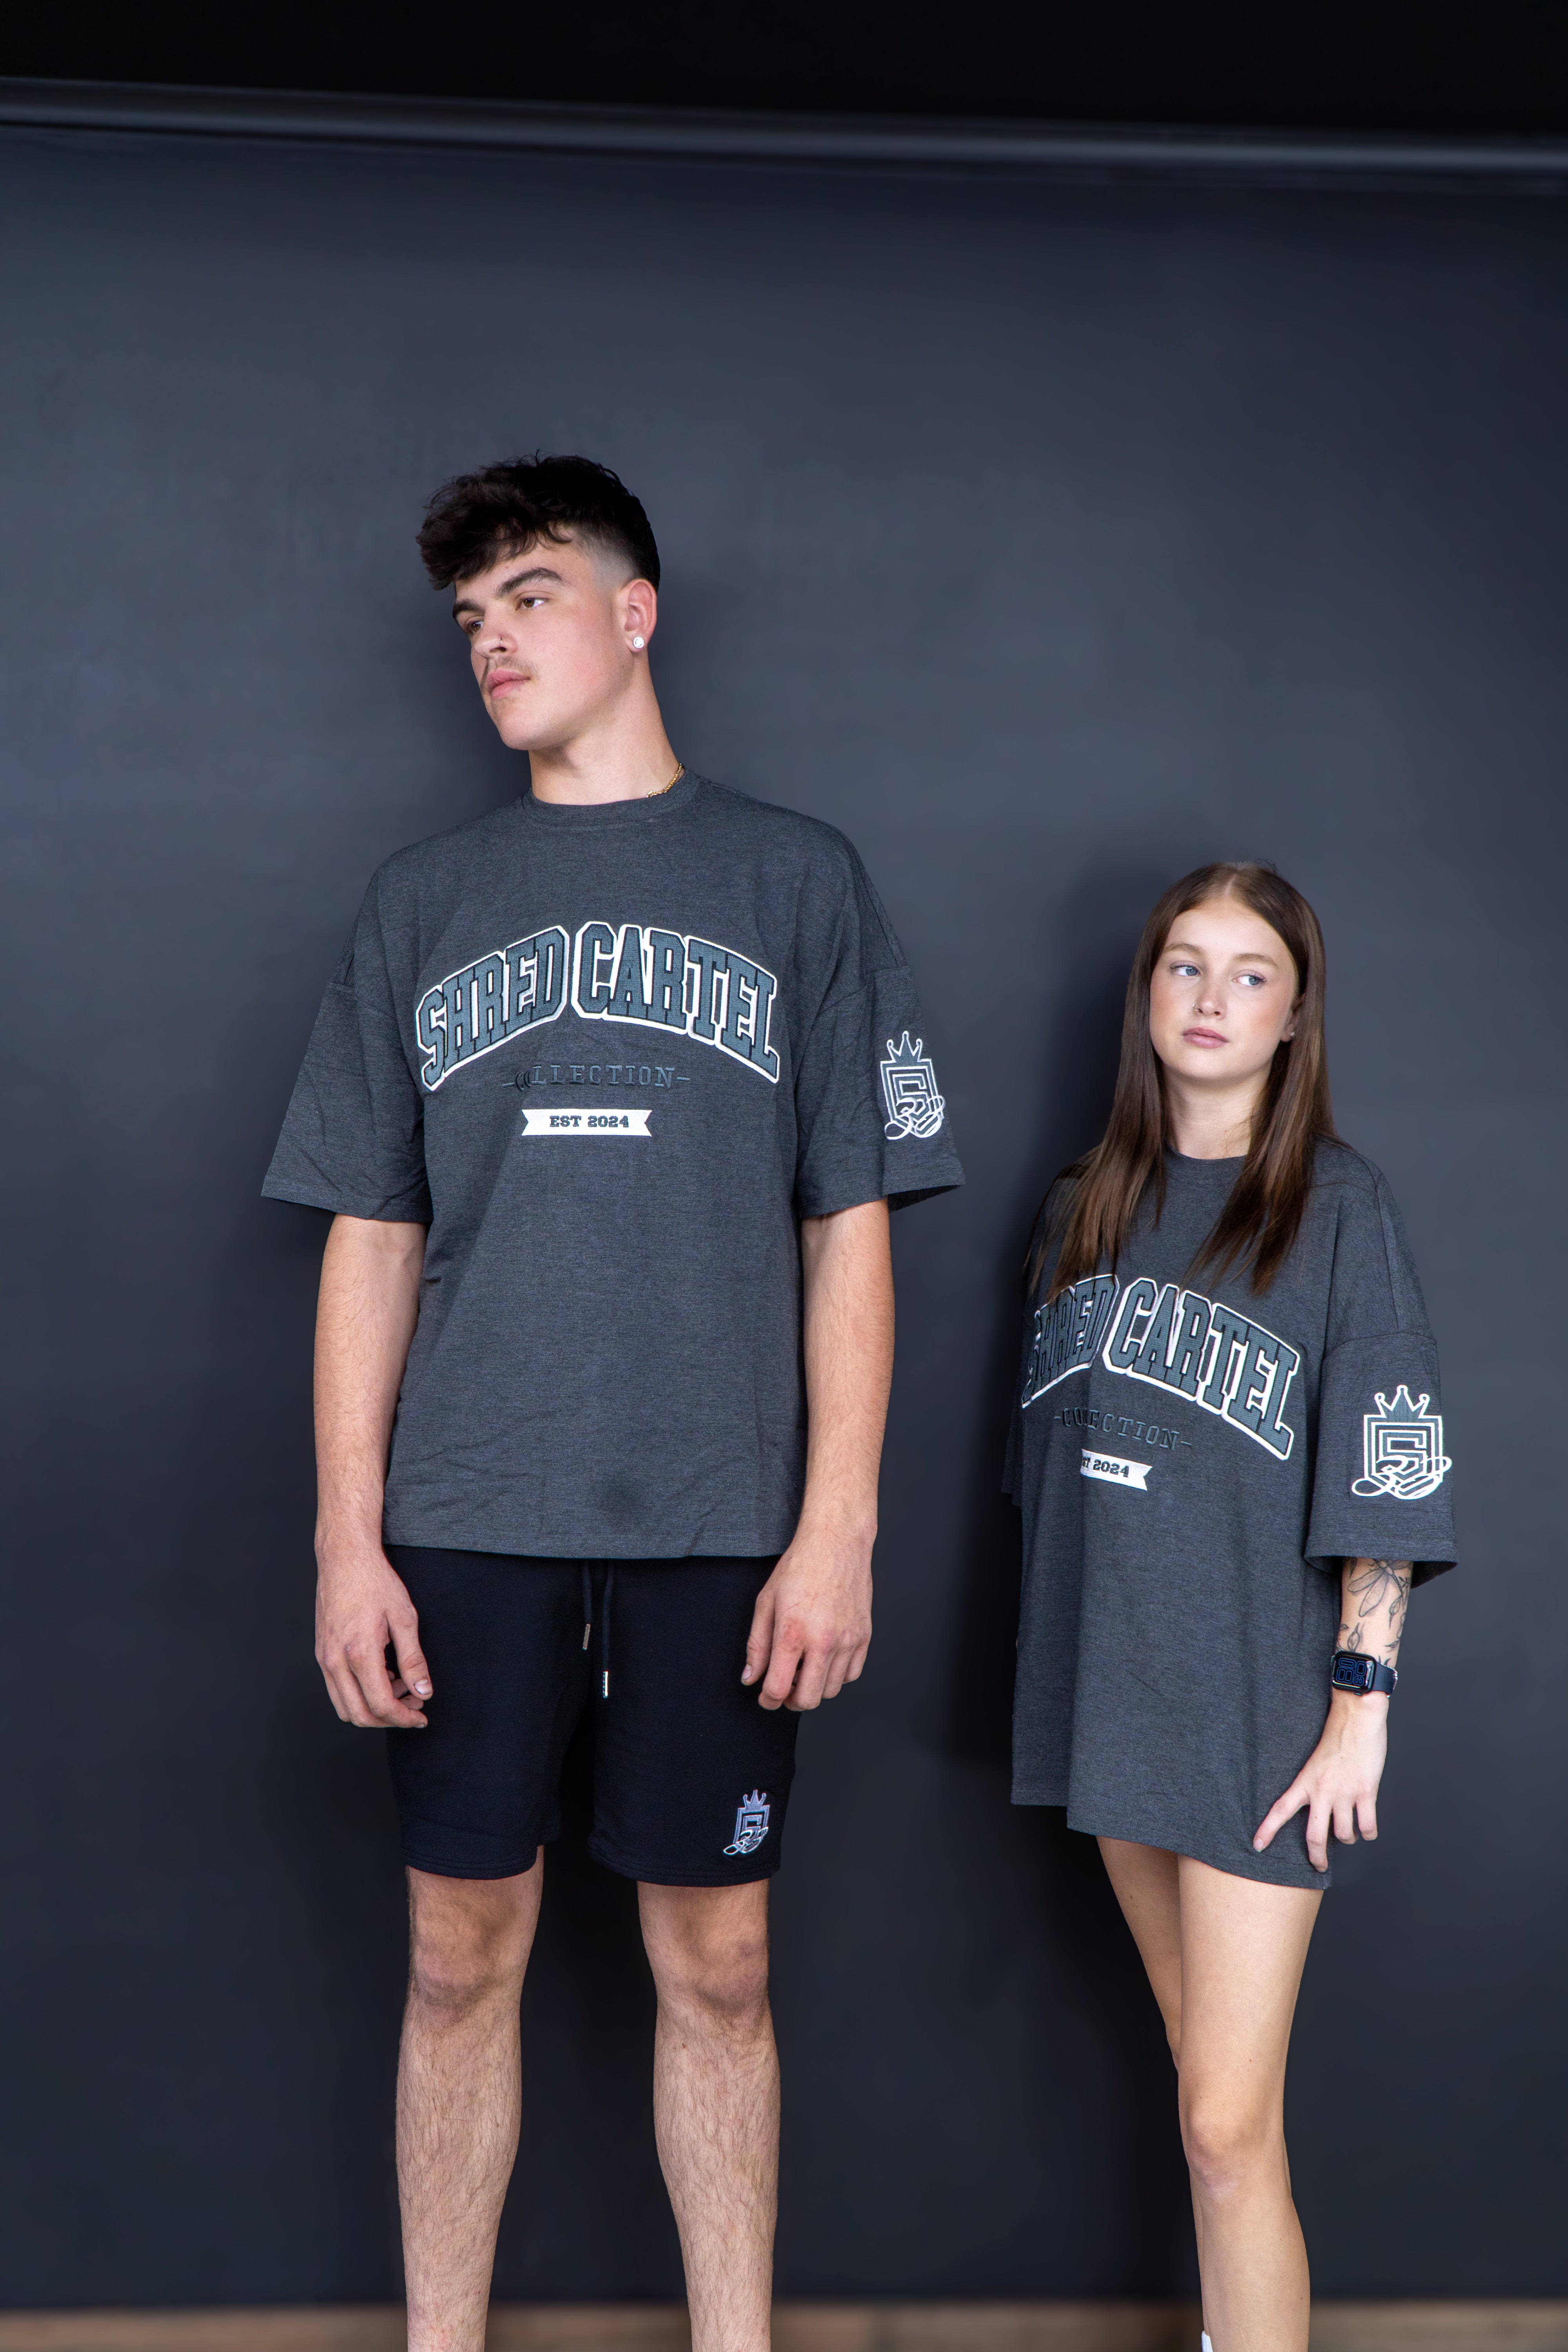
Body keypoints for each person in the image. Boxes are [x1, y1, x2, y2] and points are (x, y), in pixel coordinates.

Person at [262, 454, 963, 2352]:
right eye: (469, 618)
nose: (492, 641)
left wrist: (838, 1526)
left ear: (635, 613)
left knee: (720, 1969)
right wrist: (345, 1541)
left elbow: (848, 1225)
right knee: (453, 1959)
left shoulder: (797, 878)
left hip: (720, 1520)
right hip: (468, 1511)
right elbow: (369, 1236)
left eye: (531, 596)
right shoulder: (423, 900)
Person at [1007, 863, 1454, 2352]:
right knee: (1210, 2101)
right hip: (1117, 1693)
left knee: (1222, 2123)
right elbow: (1043, 1475)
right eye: (1185, 965)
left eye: (1250, 974)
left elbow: (1387, 1463)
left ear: (1295, 1015)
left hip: (1260, 1713)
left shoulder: (1338, 1209)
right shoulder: (1082, 1206)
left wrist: (1360, 1704)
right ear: (1147, 992)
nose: (1211, 999)